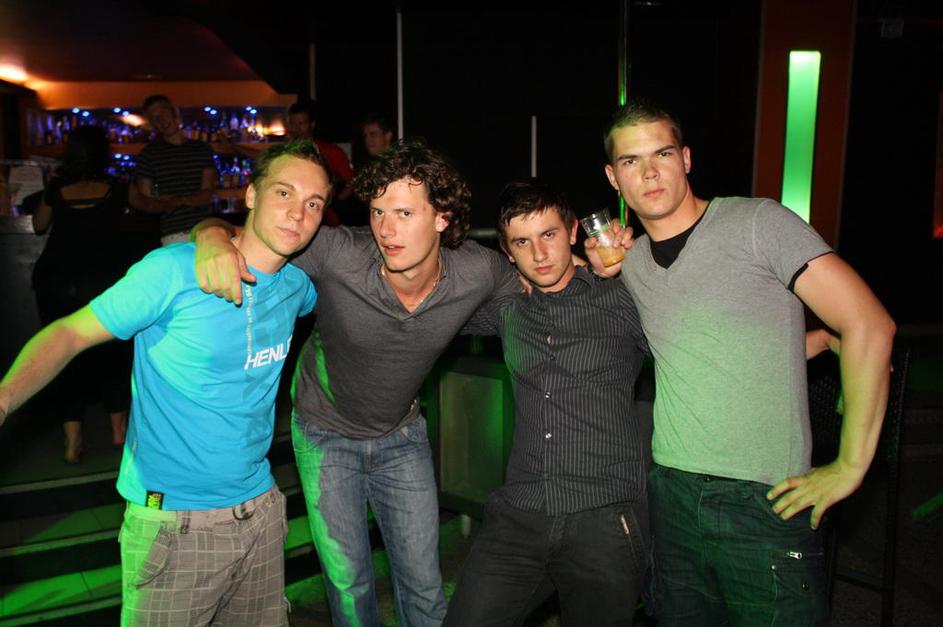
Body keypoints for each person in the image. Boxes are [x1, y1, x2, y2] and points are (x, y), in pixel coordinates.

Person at [588, 99, 896, 625]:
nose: (649, 172)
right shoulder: (631, 263)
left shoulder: (757, 222)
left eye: (662, 153)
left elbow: (870, 324)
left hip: (763, 499)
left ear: (686, 158)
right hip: (671, 492)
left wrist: (849, 466)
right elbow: (717, 340)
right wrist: (603, 269)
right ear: (613, 178)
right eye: (631, 161)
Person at [192, 138, 521, 626]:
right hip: (325, 435)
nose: (385, 230)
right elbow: (251, 236)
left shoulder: (478, 270)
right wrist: (211, 238)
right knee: (349, 587)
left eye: (404, 214)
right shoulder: (339, 254)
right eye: (377, 212)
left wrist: (583, 266)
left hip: (401, 436)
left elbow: (532, 292)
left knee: (425, 585)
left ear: (442, 218)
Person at [1, 140, 330, 625]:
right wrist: (4, 398)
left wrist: (211, 230)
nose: (298, 213)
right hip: (175, 522)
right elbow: (69, 333)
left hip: (260, 510)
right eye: (284, 193)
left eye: (314, 203)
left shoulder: (297, 288)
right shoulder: (172, 271)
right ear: (251, 194)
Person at [444, 180, 650, 626]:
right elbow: (429, 291)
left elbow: (697, 341)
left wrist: (636, 260)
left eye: (549, 234)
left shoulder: (622, 296)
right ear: (507, 251)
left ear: (573, 231)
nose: (539, 254)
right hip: (521, 511)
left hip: (603, 512)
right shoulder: (507, 308)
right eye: (522, 242)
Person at [31, 125, 133, 462]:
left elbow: (39, 225)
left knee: (63, 353)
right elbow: (147, 207)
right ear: (103, 152)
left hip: (57, 281)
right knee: (113, 353)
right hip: (101, 279)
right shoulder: (117, 188)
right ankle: (118, 432)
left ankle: (72, 442)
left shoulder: (57, 187)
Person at [134, 94, 218, 245]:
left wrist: (174, 201)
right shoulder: (148, 155)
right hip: (174, 234)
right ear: (152, 124)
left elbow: (207, 194)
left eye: (163, 112)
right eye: (154, 117)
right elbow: (145, 200)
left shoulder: (202, 149)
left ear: (175, 112)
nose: (161, 119)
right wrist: (171, 201)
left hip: (205, 230)